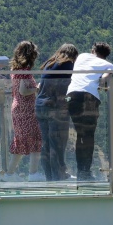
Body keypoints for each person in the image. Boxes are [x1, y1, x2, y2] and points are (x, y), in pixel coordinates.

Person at [67, 42, 113, 181]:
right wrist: (102, 82)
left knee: (80, 134)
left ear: (93, 50)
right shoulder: (108, 65)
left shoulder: (81, 56)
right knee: (88, 136)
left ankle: (81, 171)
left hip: (71, 96)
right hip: (89, 97)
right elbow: (104, 80)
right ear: (105, 56)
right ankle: (84, 172)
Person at [35, 44, 78, 181]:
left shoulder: (49, 63)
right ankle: (59, 176)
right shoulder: (68, 65)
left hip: (41, 106)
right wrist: (70, 100)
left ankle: (49, 177)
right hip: (56, 107)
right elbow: (71, 88)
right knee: (57, 143)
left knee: (45, 144)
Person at [8, 40, 42, 173]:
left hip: (16, 106)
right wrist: (36, 88)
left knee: (20, 140)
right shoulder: (25, 71)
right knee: (35, 138)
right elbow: (24, 91)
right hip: (26, 108)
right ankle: (33, 173)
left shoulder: (14, 69)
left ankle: (9, 174)